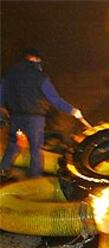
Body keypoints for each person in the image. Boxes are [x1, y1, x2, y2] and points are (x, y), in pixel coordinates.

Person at [0, 48, 84, 177]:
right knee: (35, 149)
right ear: (34, 59)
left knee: (12, 144)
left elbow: (1, 94)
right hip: (34, 119)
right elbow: (54, 99)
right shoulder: (40, 77)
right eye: (39, 60)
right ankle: (34, 177)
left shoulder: (9, 75)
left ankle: (3, 169)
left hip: (15, 116)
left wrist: (2, 111)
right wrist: (72, 110)